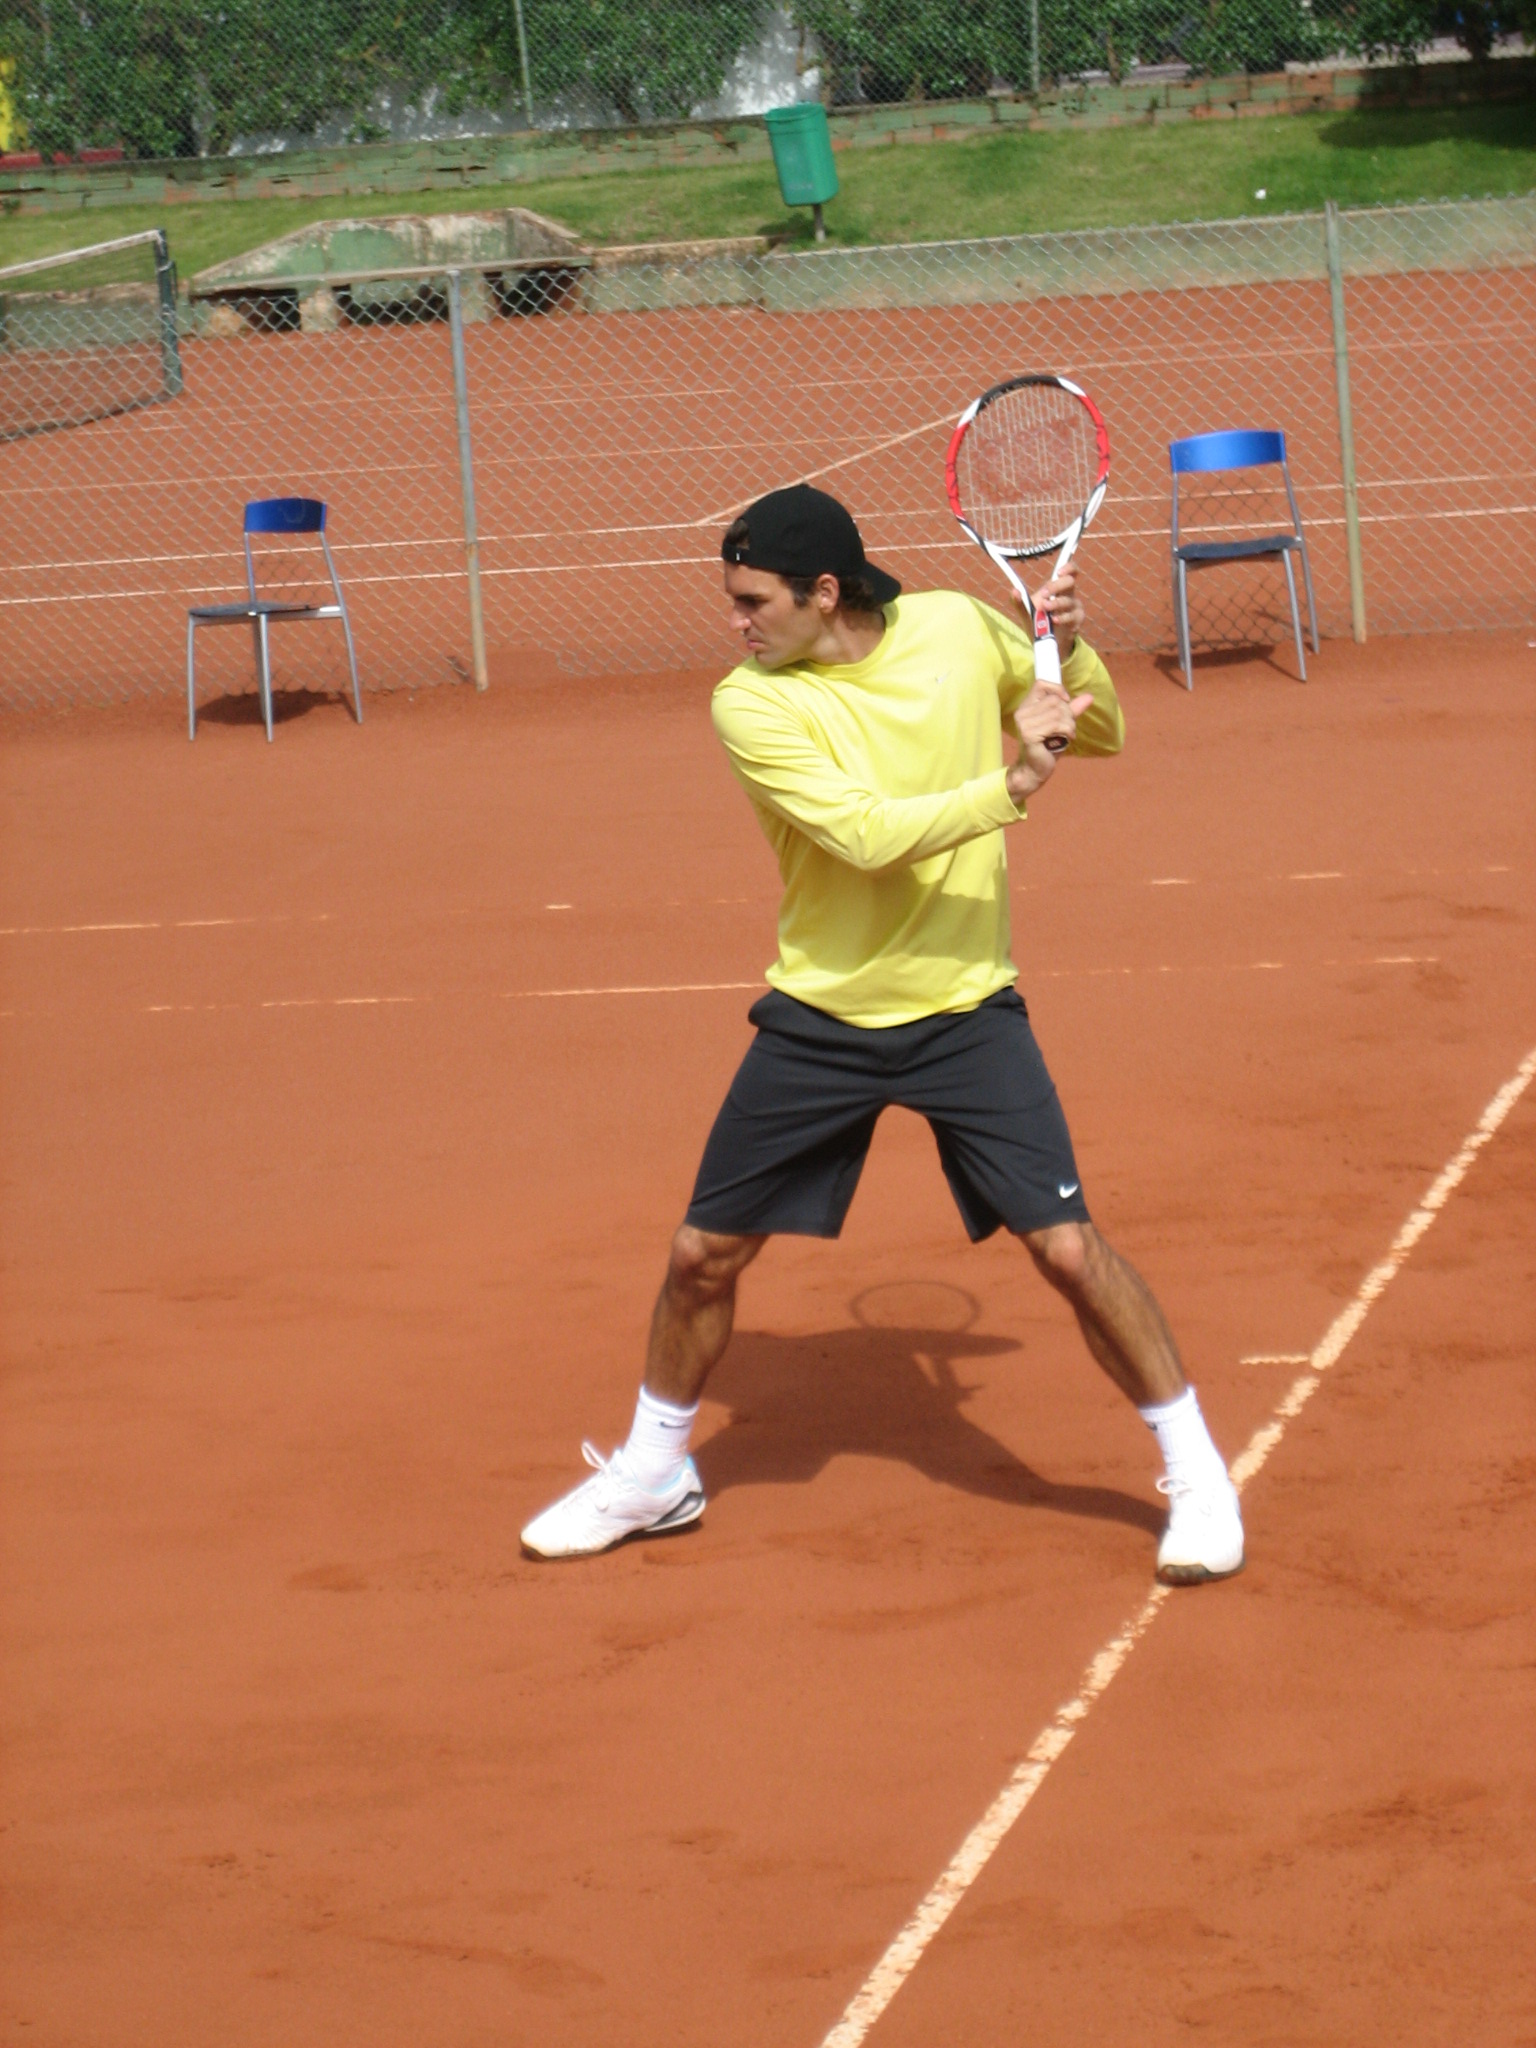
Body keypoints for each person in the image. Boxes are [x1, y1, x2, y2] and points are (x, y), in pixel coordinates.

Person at [521, 483, 1243, 1586]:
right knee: (702, 1256)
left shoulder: (955, 627)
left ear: (824, 591)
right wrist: (1013, 779)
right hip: (822, 1018)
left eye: (753, 600)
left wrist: (1068, 655)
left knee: (1067, 1248)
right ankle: (653, 1474)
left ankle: (1198, 1476)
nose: (735, 621)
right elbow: (863, 838)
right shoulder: (750, 704)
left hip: (966, 1008)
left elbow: (1099, 732)